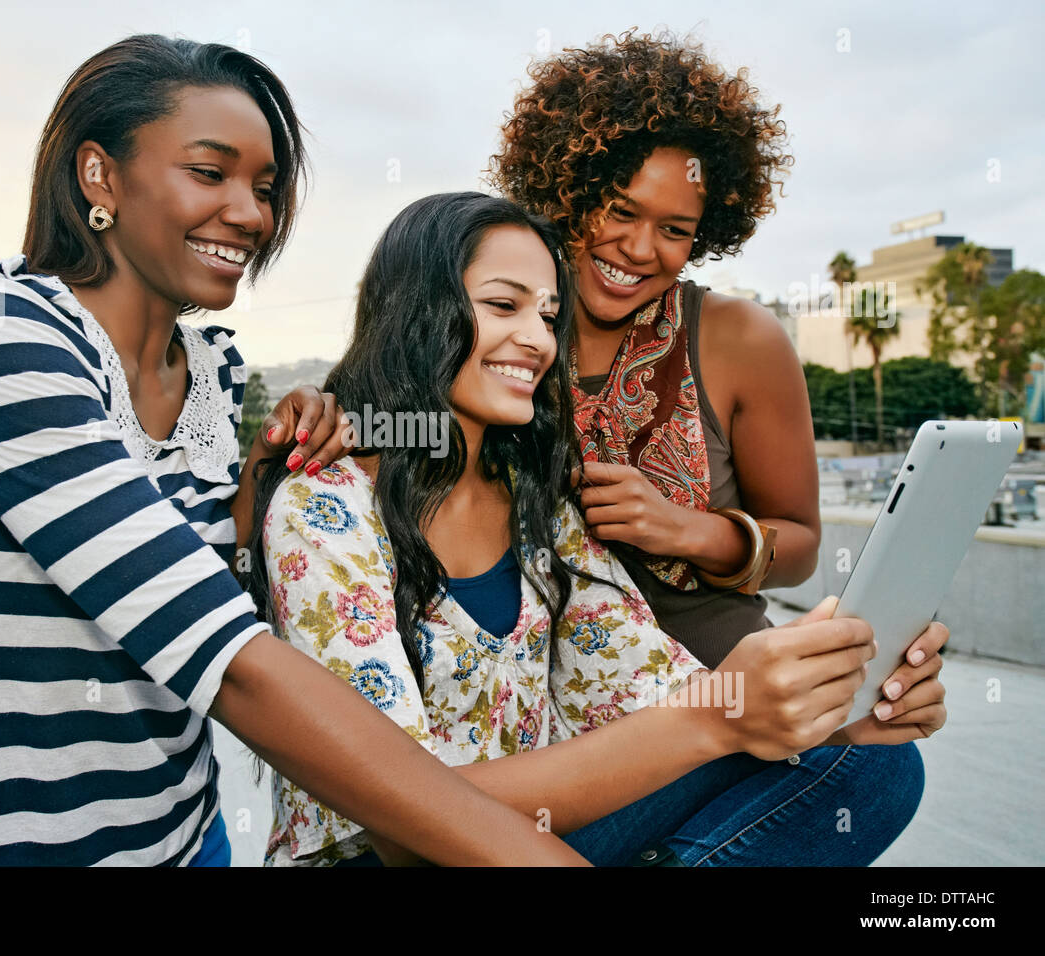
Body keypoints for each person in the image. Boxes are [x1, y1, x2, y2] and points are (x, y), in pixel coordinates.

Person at [0, 35, 586, 867]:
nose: (250, 213)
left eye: (265, 188)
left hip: (186, 843)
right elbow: (226, 656)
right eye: (210, 173)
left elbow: (233, 554)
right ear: (99, 176)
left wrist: (338, 426)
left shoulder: (211, 371)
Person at [245, 191, 948, 867]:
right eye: (502, 306)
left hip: (532, 827)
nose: (536, 340)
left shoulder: (537, 506)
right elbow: (402, 827)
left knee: (871, 764)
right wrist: (715, 718)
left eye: (549, 315)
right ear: (413, 313)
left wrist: (831, 703)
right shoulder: (325, 509)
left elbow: (649, 687)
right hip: (389, 854)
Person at [486, 30, 936, 862]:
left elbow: (800, 545)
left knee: (879, 769)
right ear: (564, 189)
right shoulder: (490, 324)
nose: (640, 250)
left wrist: (688, 529)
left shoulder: (738, 338)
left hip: (732, 685)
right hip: (557, 730)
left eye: (677, 229)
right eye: (620, 210)